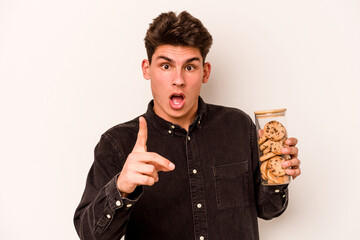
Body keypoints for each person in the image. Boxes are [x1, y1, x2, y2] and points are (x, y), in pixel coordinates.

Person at [74, 11, 301, 240]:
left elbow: (269, 209)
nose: (179, 79)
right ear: (146, 69)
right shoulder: (117, 143)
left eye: (190, 67)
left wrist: (278, 177)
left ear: (205, 72)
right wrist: (121, 188)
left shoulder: (239, 127)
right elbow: (89, 235)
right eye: (166, 66)